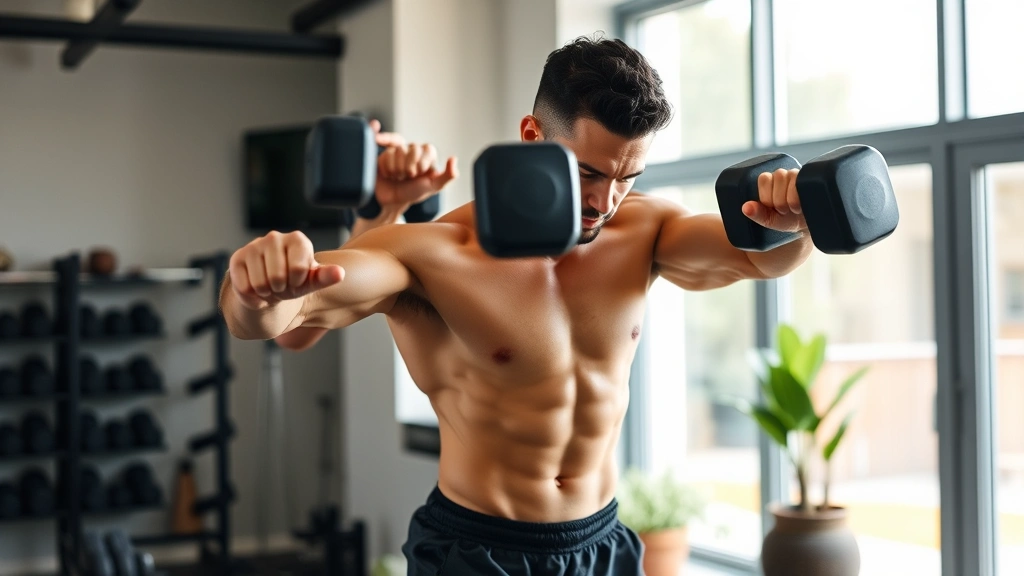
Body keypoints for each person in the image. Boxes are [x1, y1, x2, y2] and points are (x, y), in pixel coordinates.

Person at [220, 36, 812, 575]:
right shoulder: (432, 254)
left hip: (602, 541)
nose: (605, 202)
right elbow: (281, 318)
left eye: (627, 177)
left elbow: (759, 258)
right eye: (587, 172)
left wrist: (796, 224)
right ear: (533, 136)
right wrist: (253, 287)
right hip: (480, 551)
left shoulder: (644, 229)